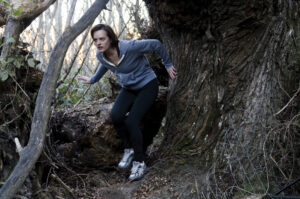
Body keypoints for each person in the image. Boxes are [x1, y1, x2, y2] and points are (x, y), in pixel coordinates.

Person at [78, 24, 176, 181]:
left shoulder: (129, 47)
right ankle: (129, 148)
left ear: (110, 38)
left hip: (147, 85)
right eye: (95, 40)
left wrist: (168, 64)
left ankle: (139, 162)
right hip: (129, 88)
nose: (99, 43)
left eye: (102, 39)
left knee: (132, 121)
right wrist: (92, 79)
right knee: (115, 116)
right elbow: (105, 65)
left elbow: (156, 44)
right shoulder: (100, 55)